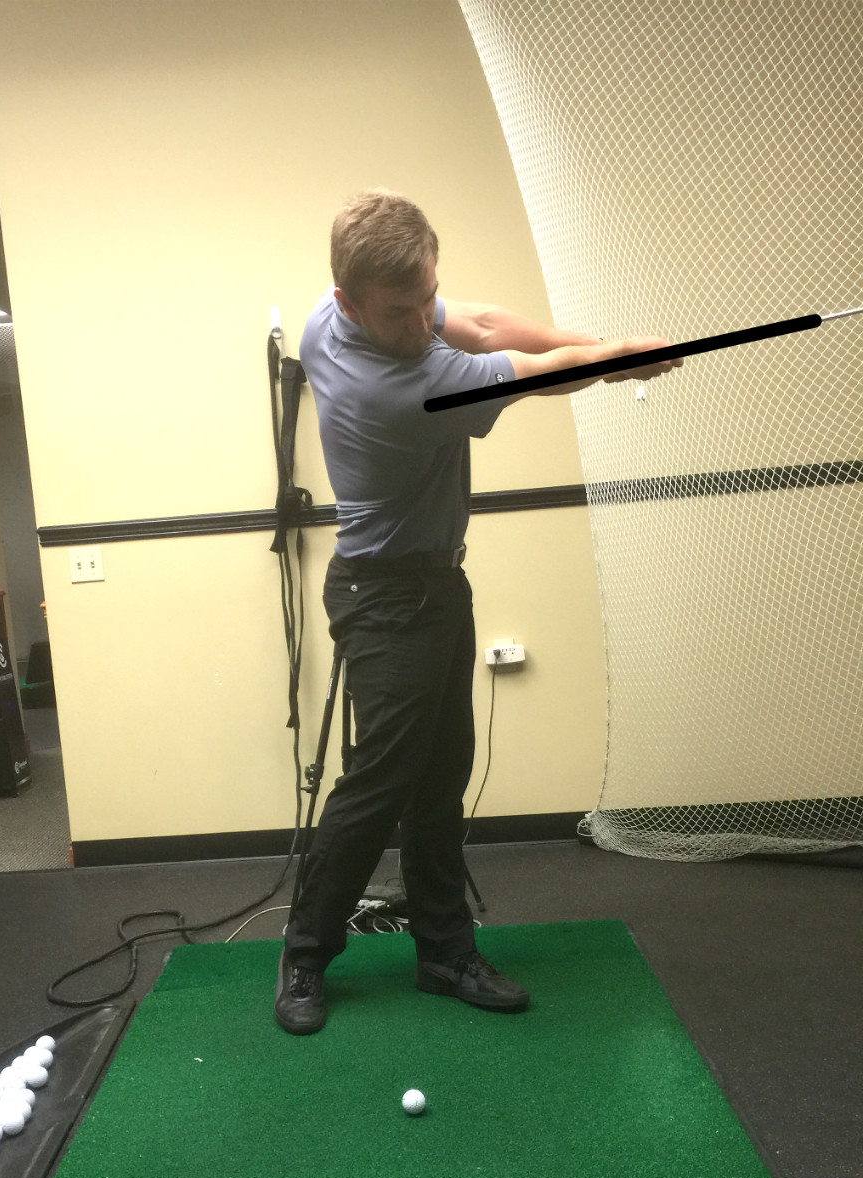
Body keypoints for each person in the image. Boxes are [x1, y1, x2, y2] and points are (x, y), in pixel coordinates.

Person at [275, 188, 681, 1035]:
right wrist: (613, 359)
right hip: (384, 596)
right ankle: (305, 952)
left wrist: (603, 342)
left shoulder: (328, 316)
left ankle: (444, 952)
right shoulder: (410, 388)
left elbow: (487, 322)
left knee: (442, 776)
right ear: (350, 300)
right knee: (380, 782)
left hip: (433, 587)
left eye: (426, 298)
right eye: (399, 312)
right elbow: (532, 371)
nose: (419, 322)